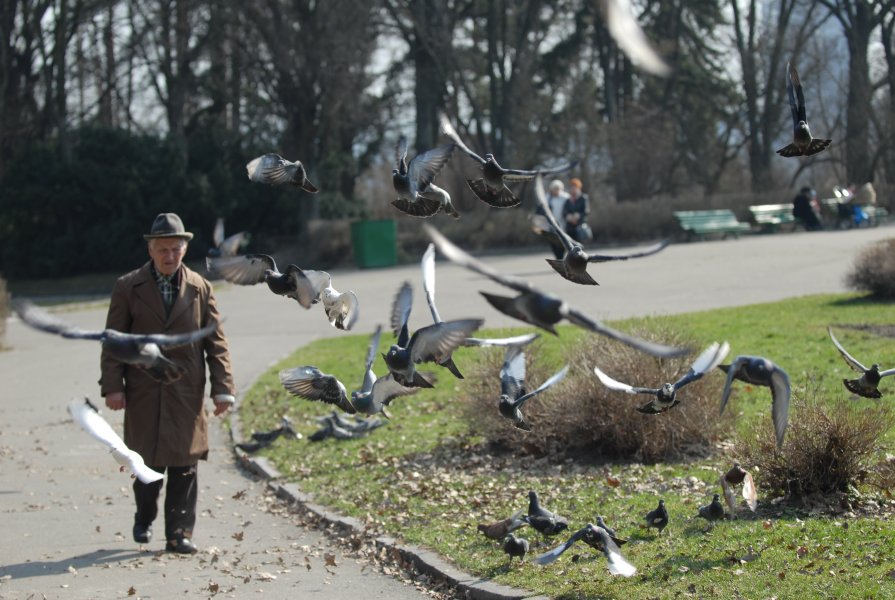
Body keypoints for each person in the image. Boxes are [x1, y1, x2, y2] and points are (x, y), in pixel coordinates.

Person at [100, 213, 236, 555]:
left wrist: (223, 388)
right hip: (143, 389)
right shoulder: (127, 287)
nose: (170, 256)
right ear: (151, 249)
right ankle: (144, 517)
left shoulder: (200, 288)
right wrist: (113, 386)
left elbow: (216, 342)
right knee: (146, 464)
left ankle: (178, 533)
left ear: (184, 249)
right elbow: (114, 342)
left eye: (176, 249)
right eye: (163, 249)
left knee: (184, 464)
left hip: (186, 389)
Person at [563, 178, 591, 243]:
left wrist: (577, 216)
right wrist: (569, 217)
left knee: (580, 247)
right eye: (571, 187)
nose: (573, 189)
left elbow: (586, 211)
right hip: (570, 227)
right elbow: (564, 212)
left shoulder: (583, 198)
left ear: (579, 188)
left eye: (574, 187)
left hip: (580, 226)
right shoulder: (568, 199)